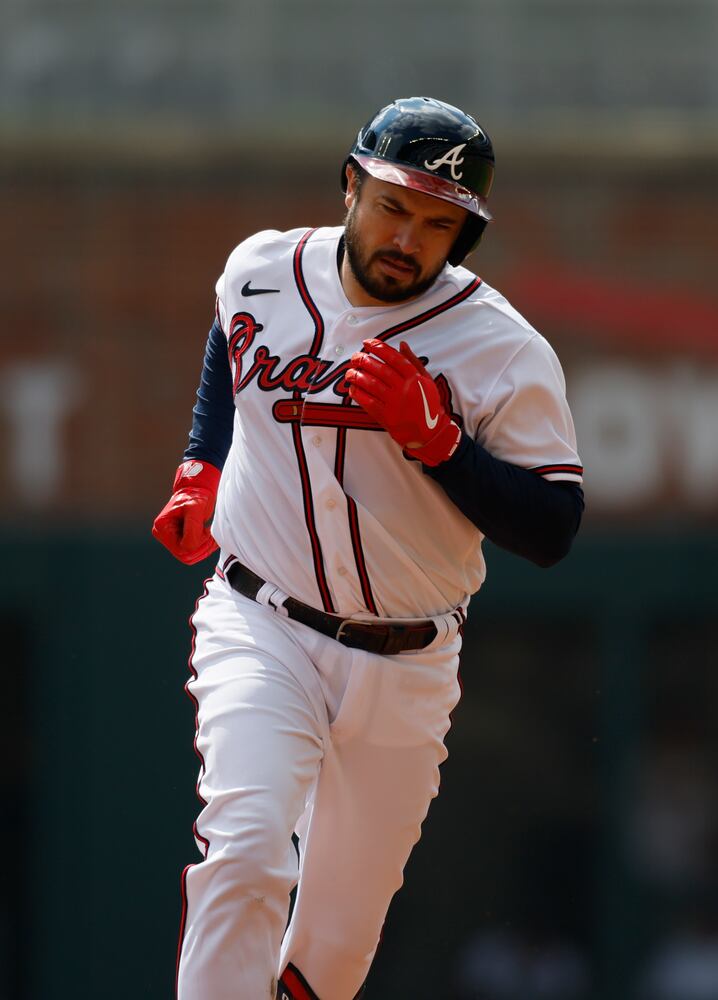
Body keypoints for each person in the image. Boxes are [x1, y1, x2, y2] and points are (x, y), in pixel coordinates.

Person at [152, 96, 584, 1000]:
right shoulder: (262, 269)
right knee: (247, 853)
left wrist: (444, 448)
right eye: (394, 203)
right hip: (260, 616)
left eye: (439, 221)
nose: (409, 236)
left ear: (463, 235)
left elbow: (553, 528)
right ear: (350, 185)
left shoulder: (501, 348)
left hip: (406, 656)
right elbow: (229, 342)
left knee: (333, 953)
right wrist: (201, 465)